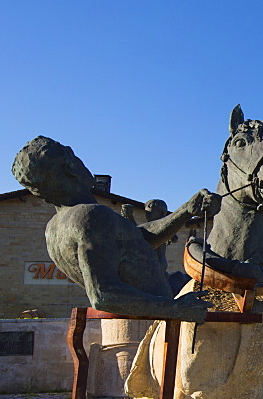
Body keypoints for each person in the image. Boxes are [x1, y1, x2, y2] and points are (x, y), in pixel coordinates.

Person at [12, 136, 221, 322]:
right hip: (149, 326)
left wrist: (186, 210)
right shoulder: (90, 216)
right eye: (74, 156)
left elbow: (137, 240)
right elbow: (103, 295)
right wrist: (176, 309)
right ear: (70, 168)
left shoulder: (55, 227)